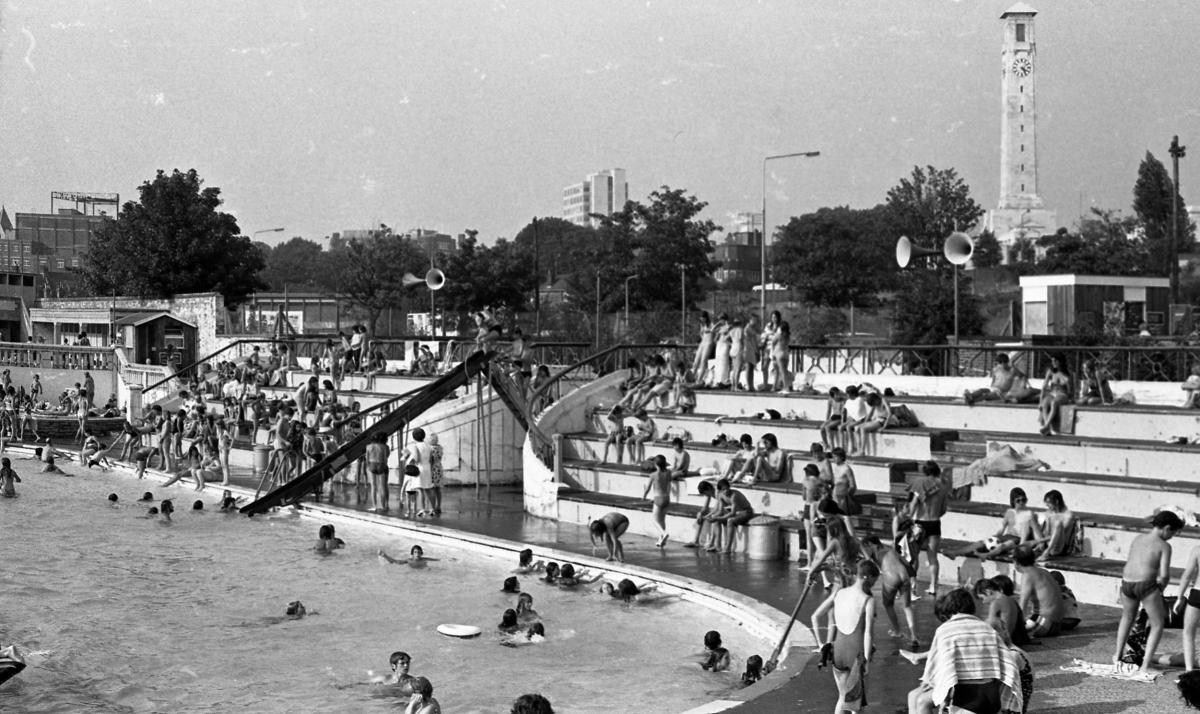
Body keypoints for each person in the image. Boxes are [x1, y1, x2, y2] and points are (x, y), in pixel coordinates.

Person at [906, 588, 1024, 714]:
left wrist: (932, 682)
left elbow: (941, 666)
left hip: (966, 698)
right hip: (992, 696)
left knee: (921, 700)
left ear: (948, 608)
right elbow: (1007, 664)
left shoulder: (945, 630)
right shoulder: (987, 629)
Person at [1114, 510, 1185, 674]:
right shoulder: (1164, 546)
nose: (1172, 537)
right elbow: (1165, 575)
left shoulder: (1138, 538)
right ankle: (1145, 665)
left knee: (1127, 618)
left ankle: (1117, 655)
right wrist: (1159, 590)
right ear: (1167, 528)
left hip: (1126, 583)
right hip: (1145, 585)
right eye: (1173, 533)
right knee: (1157, 623)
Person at [811, 559, 878, 714]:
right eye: (875, 580)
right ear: (867, 577)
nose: (875, 584)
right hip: (856, 653)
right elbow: (868, 632)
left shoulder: (840, 593)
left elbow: (817, 616)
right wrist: (867, 660)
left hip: (838, 650)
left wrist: (821, 643)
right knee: (857, 704)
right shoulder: (868, 599)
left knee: (842, 697)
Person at [862, 535, 917, 649]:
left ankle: (897, 631)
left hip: (891, 578)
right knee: (907, 606)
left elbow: (868, 565)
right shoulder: (889, 549)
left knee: (888, 604)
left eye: (866, 546)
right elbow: (906, 562)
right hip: (904, 575)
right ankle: (914, 636)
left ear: (871, 544)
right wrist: (913, 577)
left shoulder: (873, 553)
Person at [910, 460, 949, 597]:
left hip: (920, 523)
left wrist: (909, 518)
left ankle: (913, 585)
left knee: (914, 556)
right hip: (935, 523)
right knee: (933, 556)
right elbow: (944, 509)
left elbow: (914, 503)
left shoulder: (920, 483)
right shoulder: (943, 487)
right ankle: (933, 586)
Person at [1013, 546, 1065, 637]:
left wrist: (1017, 627)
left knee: (1006, 631)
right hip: (1057, 624)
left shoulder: (1027, 575)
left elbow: (1022, 604)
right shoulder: (1044, 571)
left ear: (1016, 562)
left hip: (1044, 625)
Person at [706, 478, 755, 554]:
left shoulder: (734, 495)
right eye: (724, 489)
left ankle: (727, 548)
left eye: (727, 488)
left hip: (746, 512)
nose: (726, 490)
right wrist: (713, 517)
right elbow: (720, 511)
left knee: (730, 521)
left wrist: (718, 518)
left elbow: (732, 513)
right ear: (720, 490)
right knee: (715, 520)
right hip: (737, 513)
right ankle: (718, 546)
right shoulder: (720, 495)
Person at [1172, 541, 1200, 671]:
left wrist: (1179, 597)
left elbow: (1187, 575)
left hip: (1198, 592)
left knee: (1188, 633)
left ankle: (1189, 671)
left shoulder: (1197, 549)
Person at [1037, 352, 1073, 435]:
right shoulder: (1050, 371)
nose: (1053, 363)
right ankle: (1047, 427)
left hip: (1062, 394)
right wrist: (1040, 401)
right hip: (1052, 393)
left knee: (1054, 402)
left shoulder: (1067, 373)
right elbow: (1044, 387)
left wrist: (1071, 398)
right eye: (1052, 361)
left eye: (1055, 361)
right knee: (1045, 403)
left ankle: (1046, 426)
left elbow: (1071, 390)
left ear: (1060, 362)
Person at [1036, 489, 1077, 560]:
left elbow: (1059, 534)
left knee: (1058, 523)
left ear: (1057, 501)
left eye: (1049, 503)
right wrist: (1041, 543)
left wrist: (1037, 541)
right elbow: (1047, 532)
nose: (1047, 505)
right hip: (1048, 544)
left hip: (1061, 547)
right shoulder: (1049, 513)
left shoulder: (1068, 515)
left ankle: (1046, 553)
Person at [643, 454, 674, 548]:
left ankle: (664, 534)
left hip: (658, 498)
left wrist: (643, 496)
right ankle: (661, 540)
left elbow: (648, 487)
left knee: (655, 521)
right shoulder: (668, 473)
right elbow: (669, 485)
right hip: (667, 498)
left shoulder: (653, 475)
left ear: (655, 465)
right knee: (662, 520)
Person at [403, 428, 433, 517]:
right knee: (428, 489)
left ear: (414, 437)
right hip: (427, 467)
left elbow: (417, 459)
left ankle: (422, 509)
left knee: (420, 490)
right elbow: (431, 459)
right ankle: (431, 509)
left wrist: (410, 459)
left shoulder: (416, 446)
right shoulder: (428, 446)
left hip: (420, 468)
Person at [683, 480, 719, 549]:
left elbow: (717, 508)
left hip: (727, 508)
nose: (706, 495)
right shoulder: (709, 491)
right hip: (720, 508)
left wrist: (707, 516)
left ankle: (712, 542)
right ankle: (695, 541)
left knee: (714, 516)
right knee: (701, 515)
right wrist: (700, 513)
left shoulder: (717, 492)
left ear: (708, 488)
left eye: (706, 493)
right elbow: (705, 507)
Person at [365, 432, 390, 513]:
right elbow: (386, 457)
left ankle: (374, 506)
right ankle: (384, 505)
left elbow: (367, 458)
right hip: (381, 464)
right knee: (383, 486)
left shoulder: (368, 446)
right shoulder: (384, 447)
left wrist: (368, 467)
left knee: (373, 486)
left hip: (372, 464)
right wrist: (385, 466)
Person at [691, 311, 714, 384]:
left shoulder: (711, 324)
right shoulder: (702, 324)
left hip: (708, 343)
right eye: (701, 318)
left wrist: (710, 334)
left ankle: (699, 379)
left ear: (706, 318)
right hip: (703, 342)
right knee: (696, 360)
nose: (702, 320)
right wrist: (702, 337)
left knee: (703, 360)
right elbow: (701, 333)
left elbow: (714, 331)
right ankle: (691, 377)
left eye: (703, 318)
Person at [426, 433, 443, 517]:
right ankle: (438, 506)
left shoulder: (430, 449)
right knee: (438, 488)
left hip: (433, 469)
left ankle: (432, 507)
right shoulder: (440, 447)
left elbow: (431, 460)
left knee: (431, 488)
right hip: (439, 467)